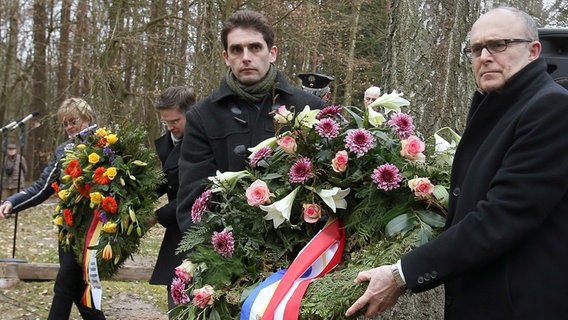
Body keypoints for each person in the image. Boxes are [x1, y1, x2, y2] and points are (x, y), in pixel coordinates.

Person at [346, 7, 568, 320]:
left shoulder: (551, 107)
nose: (485, 56)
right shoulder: (500, 109)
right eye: (476, 49)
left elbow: (501, 218)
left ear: (534, 51)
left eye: (499, 45)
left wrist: (401, 273)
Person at [176, 9, 325, 233]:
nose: (246, 57)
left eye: (255, 47)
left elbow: (325, 182)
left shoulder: (310, 108)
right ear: (226, 57)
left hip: (300, 248)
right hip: (227, 248)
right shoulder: (202, 116)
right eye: (236, 49)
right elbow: (193, 200)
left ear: (272, 53)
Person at [0, 98, 106, 320]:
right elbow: (42, 188)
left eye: (73, 121)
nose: (69, 127)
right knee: (78, 291)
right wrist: (13, 202)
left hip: (93, 231)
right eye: (64, 123)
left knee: (64, 285)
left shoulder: (106, 144)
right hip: (68, 230)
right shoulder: (63, 150)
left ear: (87, 117)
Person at [149, 85, 196, 318]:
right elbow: (166, 179)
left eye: (175, 121)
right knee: (176, 299)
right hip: (177, 230)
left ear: (191, 113)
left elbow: (192, 192)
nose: (169, 127)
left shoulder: (201, 143)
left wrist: (155, 217)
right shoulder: (172, 140)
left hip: (195, 230)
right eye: (165, 122)